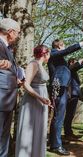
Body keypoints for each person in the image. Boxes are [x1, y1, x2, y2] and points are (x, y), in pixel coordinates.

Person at [48, 36, 83, 155]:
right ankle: (56, 145)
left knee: (60, 116)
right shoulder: (53, 53)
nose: (64, 47)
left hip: (62, 88)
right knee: (58, 117)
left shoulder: (59, 58)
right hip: (58, 87)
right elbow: (68, 50)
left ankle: (56, 142)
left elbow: (69, 69)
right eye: (62, 45)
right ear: (58, 46)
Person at [15, 45, 52, 157]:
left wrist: (45, 98)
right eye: (49, 53)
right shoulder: (33, 64)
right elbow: (26, 84)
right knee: (29, 129)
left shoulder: (41, 65)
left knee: (39, 130)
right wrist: (40, 97)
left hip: (41, 102)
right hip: (32, 102)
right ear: (45, 54)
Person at [0, 18, 21, 157]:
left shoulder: (7, 47)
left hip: (8, 100)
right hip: (1, 99)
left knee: (4, 138)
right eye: (18, 32)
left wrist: (16, 78)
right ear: (11, 32)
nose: (18, 36)